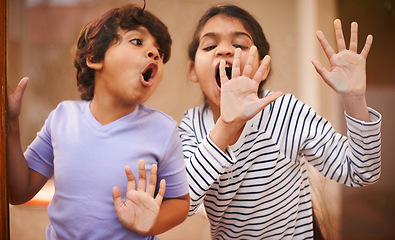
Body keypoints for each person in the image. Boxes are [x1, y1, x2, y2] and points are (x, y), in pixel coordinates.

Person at [178, 4, 381, 239]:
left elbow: (361, 171)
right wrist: (227, 125)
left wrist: (354, 98)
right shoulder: (191, 125)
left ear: (263, 67)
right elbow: (183, 203)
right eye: (210, 45)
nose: (223, 50)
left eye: (239, 45)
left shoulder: (284, 111)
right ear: (193, 70)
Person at [7, 3, 189, 240]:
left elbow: (180, 202)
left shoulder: (163, 130)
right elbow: (19, 192)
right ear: (95, 57)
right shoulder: (62, 118)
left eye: (160, 52)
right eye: (137, 41)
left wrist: (151, 223)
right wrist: (11, 124)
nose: (154, 52)